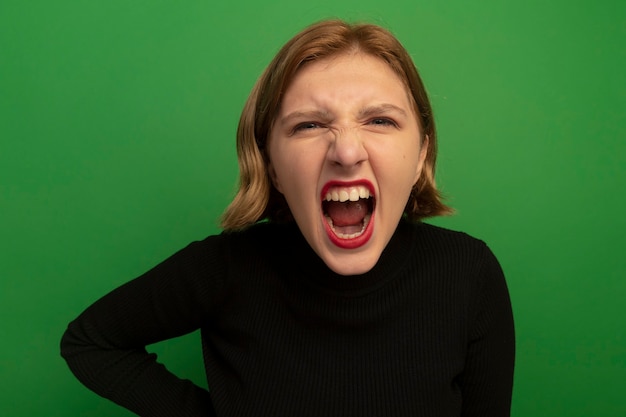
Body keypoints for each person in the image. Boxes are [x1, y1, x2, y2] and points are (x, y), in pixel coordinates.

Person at [61, 19, 515, 417]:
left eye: (379, 120)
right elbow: (89, 341)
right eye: (309, 125)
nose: (347, 151)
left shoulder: (469, 274)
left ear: (420, 156)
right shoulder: (225, 269)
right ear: (272, 166)